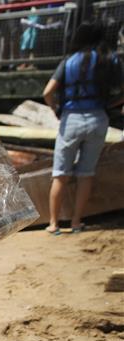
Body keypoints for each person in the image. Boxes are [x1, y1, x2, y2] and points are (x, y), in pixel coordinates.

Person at [43, 22, 122, 234]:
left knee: (60, 173)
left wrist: (57, 110)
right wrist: (109, 105)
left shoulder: (69, 61)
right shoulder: (110, 59)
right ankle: (76, 222)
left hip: (71, 120)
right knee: (86, 174)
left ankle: (53, 224)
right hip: (98, 119)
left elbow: (48, 92)